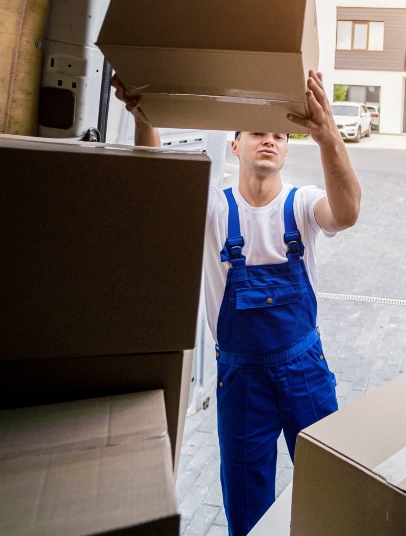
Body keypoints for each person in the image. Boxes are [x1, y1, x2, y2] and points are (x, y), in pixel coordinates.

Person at [112, 71, 360, 536]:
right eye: (257, 134)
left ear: (287, 150)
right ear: (235, 146)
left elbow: (346, 213)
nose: (269, 141)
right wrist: (145, 119)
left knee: (331, 488)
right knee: (246, 507)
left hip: (304, 371)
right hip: (242, 381)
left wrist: (329, 139)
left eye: (279, 136)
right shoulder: (213, 209)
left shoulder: (303, 204)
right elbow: (158, 188)